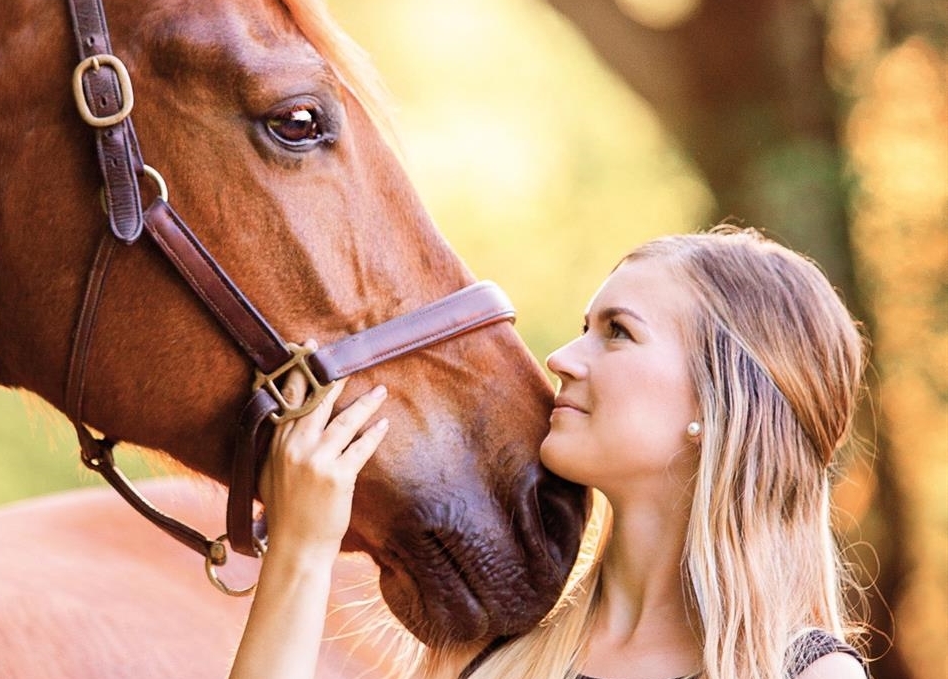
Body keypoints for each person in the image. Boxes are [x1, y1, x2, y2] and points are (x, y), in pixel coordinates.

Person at [228, 226, 870, 679]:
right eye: (582, 328)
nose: (561, 359)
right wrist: (300, 548)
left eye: (617, 333)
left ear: (719, 399)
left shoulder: (809, 675)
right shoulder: (491, 653)